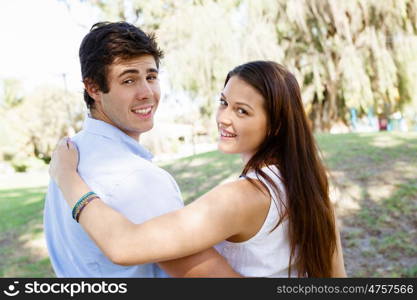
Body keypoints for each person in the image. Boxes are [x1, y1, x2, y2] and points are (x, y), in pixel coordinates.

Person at [50, 60, 347, 277]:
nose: (224, 118)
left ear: (276, 125)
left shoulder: (243, 196)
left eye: (242, 111)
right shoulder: (310, 180)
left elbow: (123, 246)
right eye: (224, 102)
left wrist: (67, 178)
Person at [43, 21, 240, 278]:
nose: (147, 92)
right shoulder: (137, 178)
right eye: (129, 80)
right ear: (93, 88)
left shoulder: (68, 156)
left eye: (151, 77)